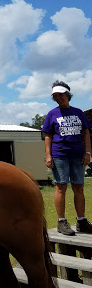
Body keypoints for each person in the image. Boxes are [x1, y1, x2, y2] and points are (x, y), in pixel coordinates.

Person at [42, 81, 92, 235]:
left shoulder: (78, 113)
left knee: (79, 187)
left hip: (77, 155)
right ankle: (61, 222)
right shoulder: (52, 114)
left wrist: (88, 153)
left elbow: (86, 133)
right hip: (60, 155)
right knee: (61, 187)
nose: (58, 98)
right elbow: (48, 136)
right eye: (55, 96)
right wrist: (48, 155)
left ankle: (81, 221)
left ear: (67, 95)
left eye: (60, 95)